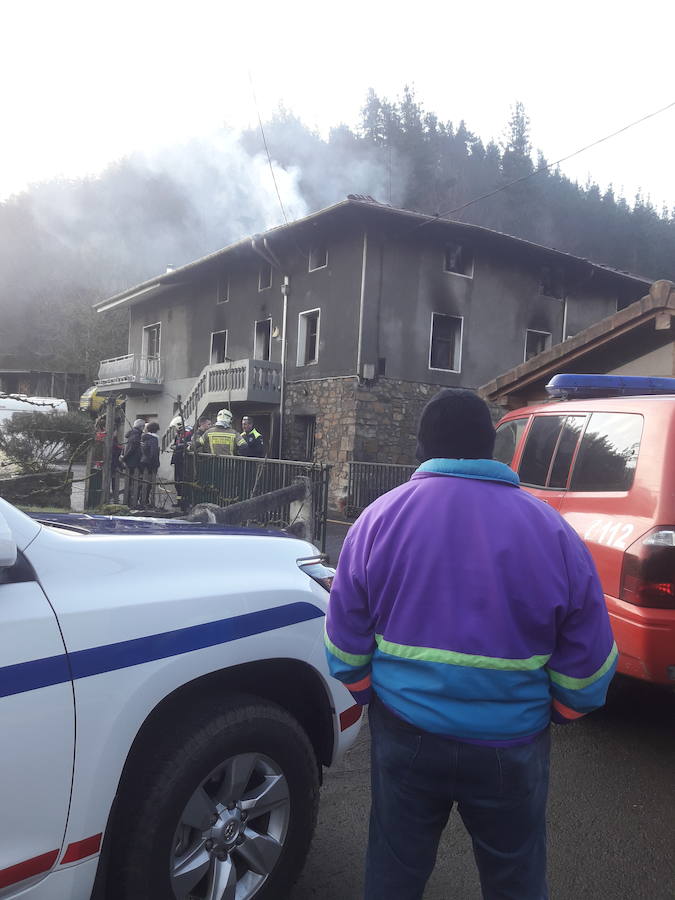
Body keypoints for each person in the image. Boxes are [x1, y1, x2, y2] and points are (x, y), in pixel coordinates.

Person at [324, 389, 617, 900]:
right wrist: (554, 713)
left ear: (421, 448)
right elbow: (589, 667)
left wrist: (377, 697)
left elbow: (344, 644)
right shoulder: (552, 529)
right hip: (512, 743)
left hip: (406, 733)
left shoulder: (377, 520)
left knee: (394, 872)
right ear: (491, 448)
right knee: (516, 879)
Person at [120, 418, 145, 507]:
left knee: (131, 482)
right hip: (133, 462)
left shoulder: (134, 433)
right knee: (133, 482)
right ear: (141, 427)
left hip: (131, 461)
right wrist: (125, 458)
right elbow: (132, 448)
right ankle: (130, 501)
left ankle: (130, 500)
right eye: (143, 426)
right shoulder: (136, 434)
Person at [169, 416, 193, 508]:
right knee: (177, 482)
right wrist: (174, 446)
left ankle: (184, 502)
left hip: (184, 461)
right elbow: (176, 444)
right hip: (178, 460)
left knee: (183, 481)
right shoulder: (179, 434)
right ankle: (179, 501)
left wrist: (177, 447)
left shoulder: (188, 433)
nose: (174, 429)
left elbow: (187, 444)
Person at [139, 421, 161, 508]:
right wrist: (156, 463)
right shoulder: (154, 439)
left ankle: (142, 498)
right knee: (149, 483)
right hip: (151, 464)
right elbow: (153, 452)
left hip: (143, 461)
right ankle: (146, 500)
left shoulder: (144, 438)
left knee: (142, 481)